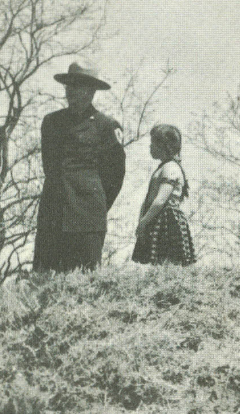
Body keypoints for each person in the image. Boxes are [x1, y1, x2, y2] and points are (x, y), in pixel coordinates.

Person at [32, 62, 126, 273]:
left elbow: (115, 176)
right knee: (44, 280)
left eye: (78, 86)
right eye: (68, 86)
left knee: (84, 281)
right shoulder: (51, 122)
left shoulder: (106, 126)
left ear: (92, 91)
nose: (71, 91)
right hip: (53, 214)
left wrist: (94, 206)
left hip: (87, 220)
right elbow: (50, 167)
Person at [132, 124, 196, 266]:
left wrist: (144, 222)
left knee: (168, 261)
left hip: (167, 220)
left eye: (153, 143)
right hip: (156, 218)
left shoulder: (171, 168)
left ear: (165, 146)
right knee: (157, 261)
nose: (150, 147)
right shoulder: (162, 167)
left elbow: (160, 200)